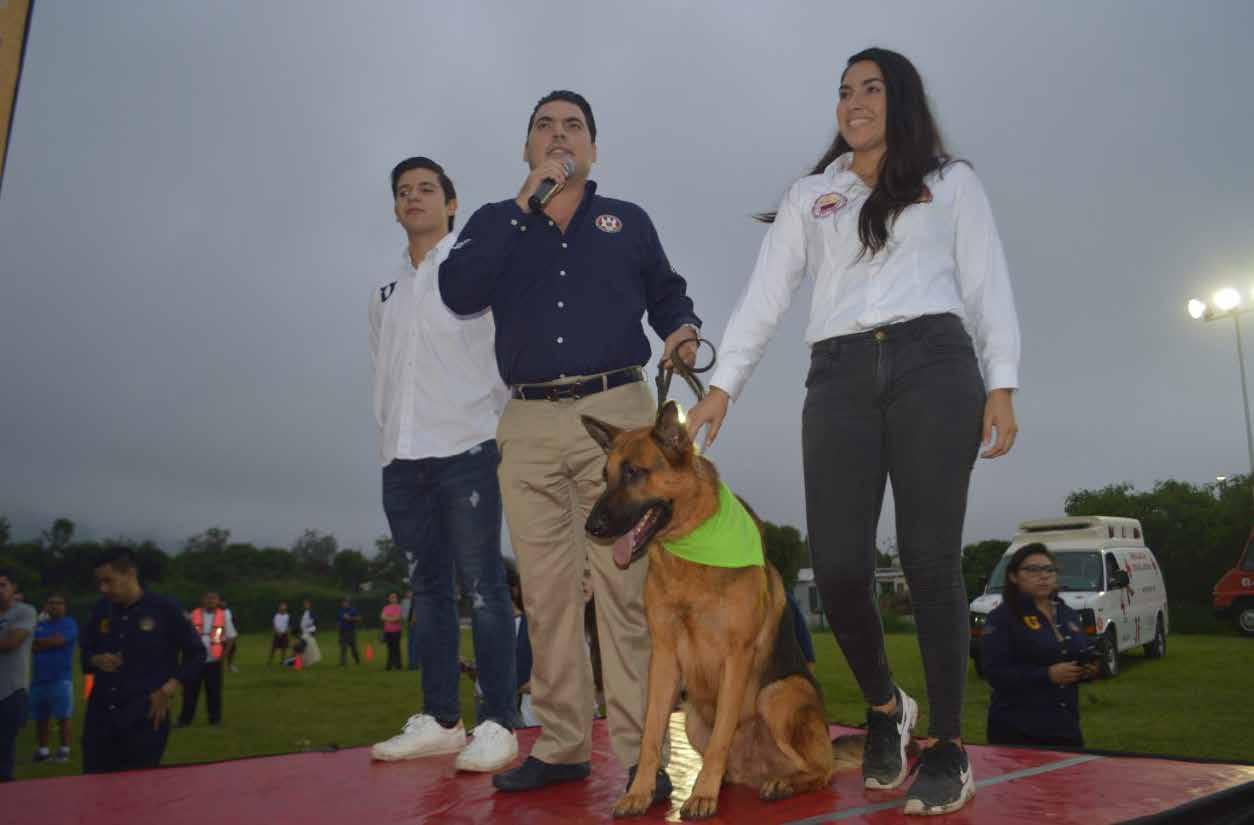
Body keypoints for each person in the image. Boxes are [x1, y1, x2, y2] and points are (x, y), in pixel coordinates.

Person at [686, 49, 1020, 816]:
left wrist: (1001, 378)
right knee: (837, 570)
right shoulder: (813, 195)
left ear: (901, 99)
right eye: (844, 90)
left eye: (871, 88)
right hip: (837, 374)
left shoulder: (951, 181)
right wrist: (722, 387)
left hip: (934, 362)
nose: (854, 101)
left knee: (931, 559)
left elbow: (986, 280)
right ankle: (885, 706)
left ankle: (948, 746)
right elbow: (764, 295)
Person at [439, 89, 701, 796]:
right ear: (527, 148)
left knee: (625, 591)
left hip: (617, 419)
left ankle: (643, 756)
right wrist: (521, 205)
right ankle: (560, 746)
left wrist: (681, 329)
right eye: (545, 127)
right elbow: (459, 290)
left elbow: (667, 291)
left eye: (573, 126)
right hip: (526, 419)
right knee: (548, 595)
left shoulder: (627, 221)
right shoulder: (496, 221)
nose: (559, 136)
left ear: (593, 148)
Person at [366, 155, 518, 774]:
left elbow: (506, 356)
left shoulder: (473, 272)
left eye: (427, 189)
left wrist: (495, 429)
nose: (414, 198)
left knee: (483, 587)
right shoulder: (384, 290)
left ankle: (499, 722)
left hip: (467, 448)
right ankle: (440, 720)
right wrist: (390, 441)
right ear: (395, 207)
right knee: (425, 590)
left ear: (451, 204)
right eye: (404, 191)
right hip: (402, 460)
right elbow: (384, 370)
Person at [80, 547, 205, 773]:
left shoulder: (164, 609)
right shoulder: (101, 610)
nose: (103, 589)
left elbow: (196, 654)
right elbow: (85, 653)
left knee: (140, 788)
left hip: (144, 717)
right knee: (94, 785)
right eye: (99, 583)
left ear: (130, 573)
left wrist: (169, 687)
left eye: (108, 581)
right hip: (101, 718)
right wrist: (96, 660)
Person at [982, 543, 1098, 748]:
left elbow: (1082, 651)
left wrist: (1088, 669)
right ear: (1013, 576)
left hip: (1066, 727)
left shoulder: (1069, 614)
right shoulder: (1002, 618)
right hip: (1018, 730)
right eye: (1032, 570)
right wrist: (1047, 675)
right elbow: (995, 673)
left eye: (1049, 569)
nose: (1043, 576)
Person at [30, 593, 79, 764]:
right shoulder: (40, 625)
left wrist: (41, 643)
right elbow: (30, 645)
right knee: (41, 717)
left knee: (63, 716)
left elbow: (58, 641)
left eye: (58, 603)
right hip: (39, 679)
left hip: (61, 678)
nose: (54, 606)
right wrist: (46, 642)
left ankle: (64, 750)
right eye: (51, 603)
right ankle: (43, 750)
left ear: (64, 607)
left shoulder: (69, 623)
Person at [178, 591, 237, 727]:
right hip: (194, 661)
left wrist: (224, 657)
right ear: (203, 600)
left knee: (214, 692)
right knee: (189, 692)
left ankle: (215, 720)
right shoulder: (194, 614)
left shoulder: (223, 616)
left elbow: (231, 637)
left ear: (218, 601)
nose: (210, 601)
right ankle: (185, 720)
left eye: (213, 598)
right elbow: (184, 634)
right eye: (208, 598)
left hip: (214, 661)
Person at [0, 568, 37, 781]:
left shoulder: (24, 612)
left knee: (4, 750)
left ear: (14, 588)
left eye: (2, 585)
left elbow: (12, 642)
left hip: (11, 691)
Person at [380, 593, 404, 671]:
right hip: (387, 631)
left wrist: (388, 618)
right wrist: (391, 618)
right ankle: (389, 665)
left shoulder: (399, 607)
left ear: (397, 599)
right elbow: (382, 617)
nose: (393, 599)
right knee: (389, 648)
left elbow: (397, 618)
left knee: (396, 648)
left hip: (396, 631)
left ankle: (398, 665)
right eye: (391, 597)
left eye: (394, 597)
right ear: (389, 599)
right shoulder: (386, 607)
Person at [336, 598, 361, 666]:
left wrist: (351, 618)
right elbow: (341, 619)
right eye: (343, 603)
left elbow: (358, 618)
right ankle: (343, 662)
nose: (344, 604)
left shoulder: (353, 610)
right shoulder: (340, 610)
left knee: (353, 648)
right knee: (343, 647)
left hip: (351, 631)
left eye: (345, 602)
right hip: (343, 631)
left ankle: (357, 659)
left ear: (348, 603)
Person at [399, 589, 419, 671]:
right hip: (412, 624)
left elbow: (414, 612)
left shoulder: (415, 600)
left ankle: (413, 664)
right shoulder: (407, 601)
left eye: (410, 592)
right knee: (412, 644)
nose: (408, 594)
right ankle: (413, 664)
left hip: (414, 624)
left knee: (413, 644)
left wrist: (412, 621)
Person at [268, 601, 291, 665]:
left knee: (284, 648)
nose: (282, 609)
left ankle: (283, 661)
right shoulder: (276, 616)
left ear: (285, 608)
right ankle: (270, 660)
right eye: (281, 607)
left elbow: (288, 625)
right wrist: (277, 632)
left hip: (284, 634)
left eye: (284, 607)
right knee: (274, 648)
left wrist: (286, 631)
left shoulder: (287, 616)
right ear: (279, 608)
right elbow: (274, 625)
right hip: (277, 634)